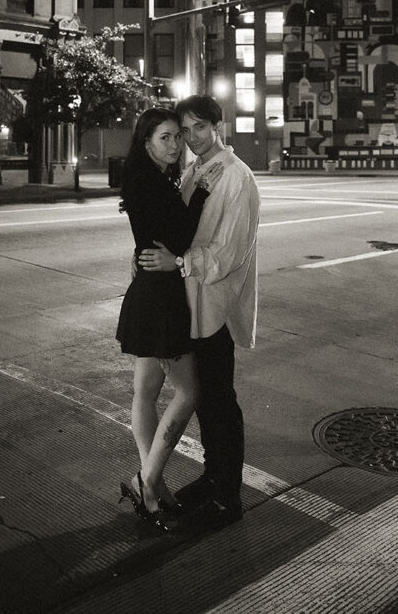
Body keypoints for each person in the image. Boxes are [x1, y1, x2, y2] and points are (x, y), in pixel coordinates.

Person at [139, 95, 260, 529]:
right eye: (185, 131)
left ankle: (228, 498)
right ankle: (213, 479)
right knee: (206, 401)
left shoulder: (236, 177)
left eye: (200, 128)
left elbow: (228, 252)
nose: (191, 139)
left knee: (220, 403)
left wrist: (177, 262)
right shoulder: (195, 171)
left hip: (215, 306)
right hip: (191, 304)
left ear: (218, 126)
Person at [116, 107, 223, 532]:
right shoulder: (150, 181)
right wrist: (199, 197)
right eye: (166, 137)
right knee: (189, 392)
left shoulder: (150, 178)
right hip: (160, 299)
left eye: (178, 136)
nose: (176, 144)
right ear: (146, 141)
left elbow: (155, 234)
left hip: (151, 291)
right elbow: (179, 238)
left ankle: (152, 485)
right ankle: (147, 480)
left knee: (145, 391)